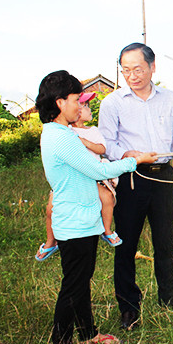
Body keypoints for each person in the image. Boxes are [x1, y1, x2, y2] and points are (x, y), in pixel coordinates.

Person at [35, 70, 157, 344]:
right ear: (60, 102)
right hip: (73, 223)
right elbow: (99, 171)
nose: (81, 106)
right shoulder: (59, 138)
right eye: (77, 100)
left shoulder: (63, 133)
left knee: (82, 280)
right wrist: (134, 161)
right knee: (73, 285)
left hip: (83, 220)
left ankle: (88, 332)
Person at [99, 42, 173, 330]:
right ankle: (129, 309)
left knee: (165, 243)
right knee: (126, 244)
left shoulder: (169, 99)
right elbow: (107, 144)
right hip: (132, 179)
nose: (132, 76)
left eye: (138, 69)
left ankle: (170, 300)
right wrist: (127, 155)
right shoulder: (113, 103)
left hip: (163, 178)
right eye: (126, 70)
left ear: (152, 67)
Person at [35, 92, 121, 262]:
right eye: (83, 104)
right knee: (50, 208)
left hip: (93, 176)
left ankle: (107, 230)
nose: (87, 109)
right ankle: (51, 241)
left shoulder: (93, 131)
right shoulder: (65, 131)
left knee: (106, 198)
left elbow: (102, 150)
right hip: (72, 178)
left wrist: (84, 141)